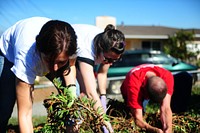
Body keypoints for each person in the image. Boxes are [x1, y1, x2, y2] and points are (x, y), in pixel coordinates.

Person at [0, 17, 77, 133]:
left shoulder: (70, 43)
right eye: (49, 60)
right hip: (8, 55)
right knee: (4, 106)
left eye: (61, 61)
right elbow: (25, 114)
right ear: (39, 51)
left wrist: (71, 89)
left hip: (46, 53)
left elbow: (71, 64)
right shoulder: (26, 57)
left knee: (72, 94)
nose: (54, 68)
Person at [72, 24, 125, 132]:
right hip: (62, 54)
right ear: (100, 48)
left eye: (114, 60)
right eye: (108, 59)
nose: (110, 63)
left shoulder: (110, 44)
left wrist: (103, 97)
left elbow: (102, 73)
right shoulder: (87, 50)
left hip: (75, 59)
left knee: (84, 94)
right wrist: (104, 120)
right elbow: (91, 92)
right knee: (74, 94)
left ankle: (79, 123)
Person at [120, 64, 174, 133]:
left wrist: (168, 128)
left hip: (145, 85)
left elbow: (166, 107)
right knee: (130, 115)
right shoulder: (133, 84)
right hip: (128, 92)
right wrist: (153, 129)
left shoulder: (167, 76)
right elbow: (137, 119)